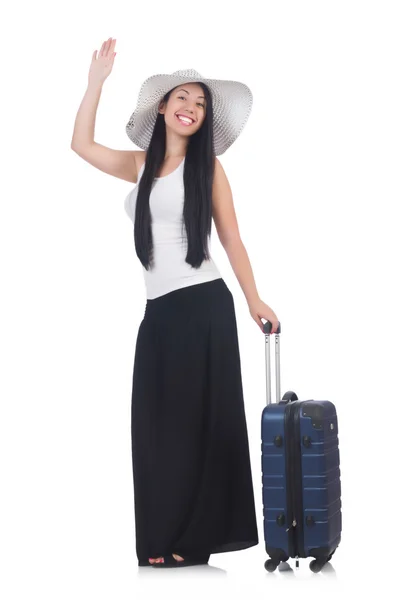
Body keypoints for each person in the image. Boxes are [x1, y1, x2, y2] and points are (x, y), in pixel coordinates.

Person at [71, 37, 280, 569]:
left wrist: (254, 297)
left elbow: (232, 238)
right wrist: (96, 84)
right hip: (159, 314)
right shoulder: (140, 165)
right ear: (162, 108)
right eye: (181, 98)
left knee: (200, 424)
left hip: (203, 306)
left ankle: (195, 539)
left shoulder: (209, 169)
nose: (191, 107)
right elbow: (81, 146)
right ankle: (161, 538)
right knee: (157, 426)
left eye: (200, 103)